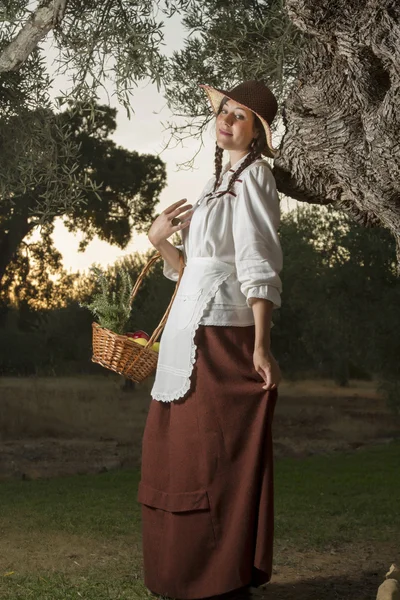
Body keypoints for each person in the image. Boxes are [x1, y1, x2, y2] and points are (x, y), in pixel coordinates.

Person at [138, 80, 283, 600]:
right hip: (186, 329)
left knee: (212, 457)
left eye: (240, 116)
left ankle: (219, 582)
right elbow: (190, 272)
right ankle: (181, 576)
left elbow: (257, 264)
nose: (226, 119)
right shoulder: (212, 183)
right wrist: (159, 245)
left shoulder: (255, 178)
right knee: (175, 454)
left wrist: (261, 346)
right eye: (224, 110)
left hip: (224, 334)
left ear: (257, 134)